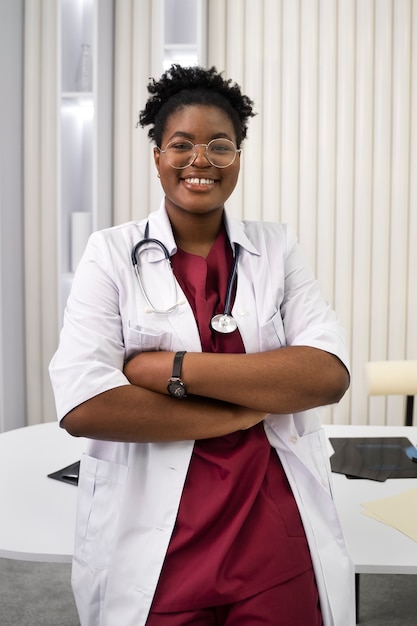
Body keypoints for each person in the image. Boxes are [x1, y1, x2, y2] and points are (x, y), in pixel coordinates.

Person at [49, 64, 354, 626]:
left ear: (238, 155)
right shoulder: (111, 253)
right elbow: (85, 405)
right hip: (161, 546)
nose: (200, 159)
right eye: (181, 144)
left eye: (220, 144)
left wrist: (170, 368)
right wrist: (245, 411)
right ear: (158, 155)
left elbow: (326, 374)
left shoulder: (276, 246)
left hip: (271, 533)